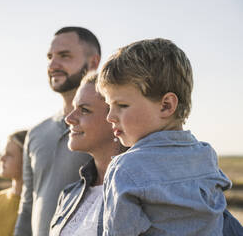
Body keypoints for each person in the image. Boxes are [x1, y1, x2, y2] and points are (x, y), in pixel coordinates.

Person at [97, 38, 233, 235]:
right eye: (109, 106)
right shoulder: (206, 156)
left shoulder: (125, 169)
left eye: (122, 105)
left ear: (166, 105)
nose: (110, 117)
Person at [14, 27, 101, 236]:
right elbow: (28, 205)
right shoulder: (35, 134)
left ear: (94, 63)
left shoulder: (111, 128)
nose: (53, 65)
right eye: (50, 57)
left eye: (64, 56)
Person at [49, 73, 128, 236]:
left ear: (115, 119)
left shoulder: (140, 192)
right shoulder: (69, 194)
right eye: (73, 109)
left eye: (84, 110)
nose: (69, 118)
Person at [0, 130, 27, 236]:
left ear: (26, 159)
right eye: (3, 153)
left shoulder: (34, 204)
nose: (1, 159)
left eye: (9, 155)